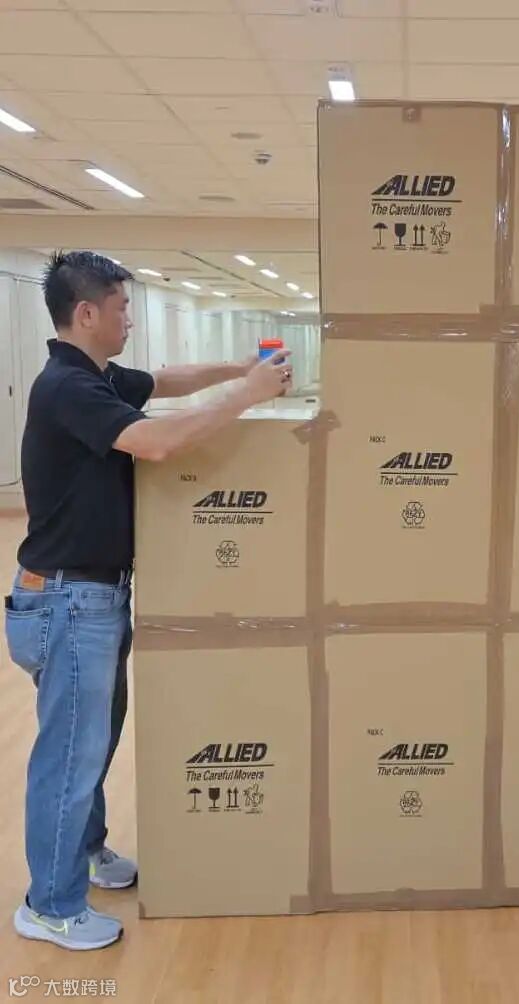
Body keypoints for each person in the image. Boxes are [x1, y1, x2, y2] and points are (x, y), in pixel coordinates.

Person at [4, 251, 293, 951]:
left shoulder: (96, 376)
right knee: (70, 756)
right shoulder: (66, 387)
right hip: (68, 599)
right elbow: (157, 442)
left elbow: (166, 381)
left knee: (91, 745)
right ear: (86, 314)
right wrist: (246, 396)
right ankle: (50, 905)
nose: (129, 319)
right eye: (121, 307)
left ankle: (86, 853)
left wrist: (240, 370)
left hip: (89, 595)